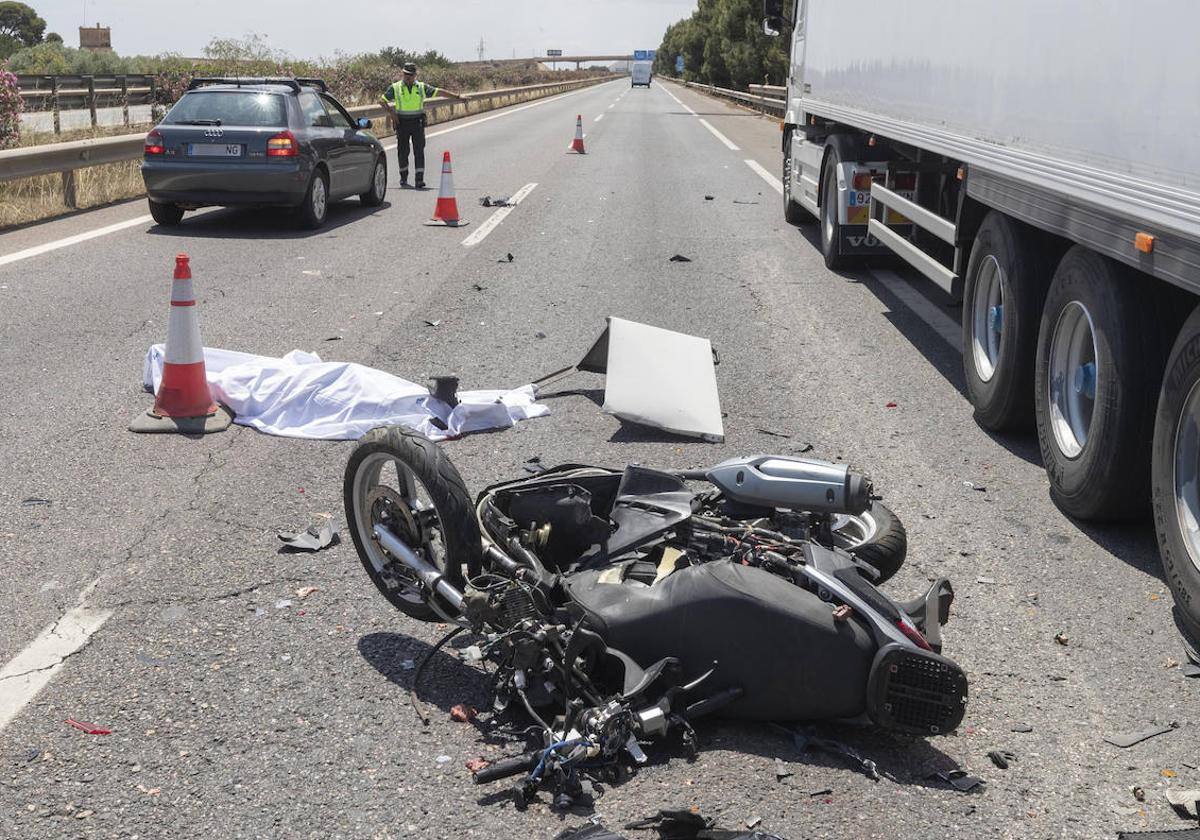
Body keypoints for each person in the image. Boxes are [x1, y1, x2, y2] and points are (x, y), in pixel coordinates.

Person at [381, 62, 464, 189]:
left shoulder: (421, 87)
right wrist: (392, 113)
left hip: (417, 123)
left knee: (419, 151)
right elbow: (382, 100)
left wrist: (457, 97)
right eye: (405, 74)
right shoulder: (395, 87)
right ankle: (403, 177)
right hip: (402, 123)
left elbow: (439, 92)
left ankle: (419, 180)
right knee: (403, 152)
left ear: (415, 75)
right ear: (402, 74)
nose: (407, 77)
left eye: (410, 75)